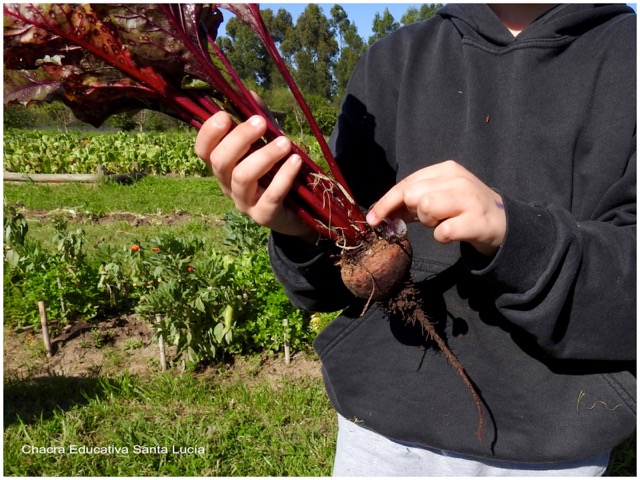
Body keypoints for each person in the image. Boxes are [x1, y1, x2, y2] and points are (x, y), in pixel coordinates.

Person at [195, 3, 636, 476]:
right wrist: (298, 231)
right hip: (379, 431)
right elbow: (330, 275)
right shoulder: (393, 59)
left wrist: (516, 235)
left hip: (552, 445)